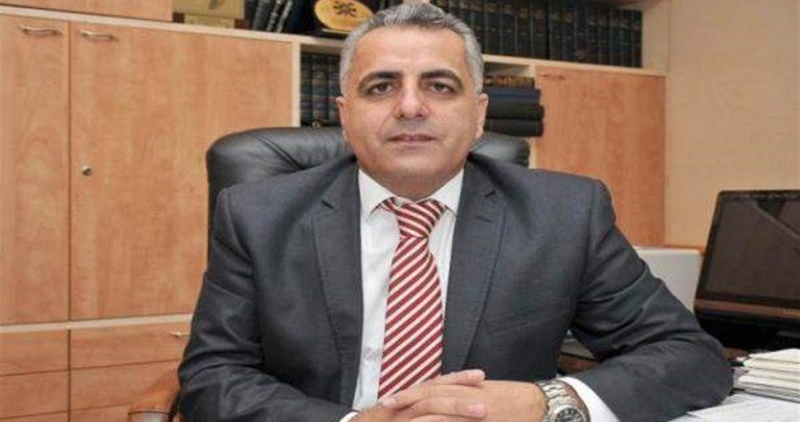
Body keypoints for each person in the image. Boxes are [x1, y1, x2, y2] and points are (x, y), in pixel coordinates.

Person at [177, 3, 732, 422]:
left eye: (440, 86)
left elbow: (691, 356)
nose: (410, 106)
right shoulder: (256, 216)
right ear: (344, 116)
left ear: (479, 115)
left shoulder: (564, 214)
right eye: (381, 86)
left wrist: (546, 401)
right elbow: (212, 376)